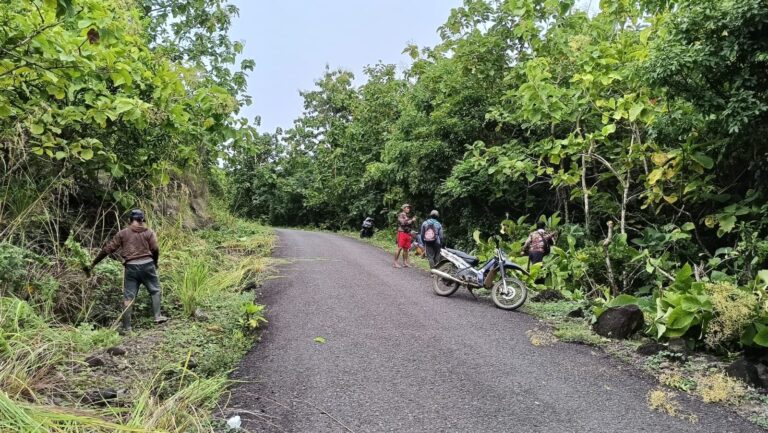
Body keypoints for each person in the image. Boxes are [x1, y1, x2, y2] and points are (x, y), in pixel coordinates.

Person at [84, 209, 168, 334]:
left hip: (131, 267)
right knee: (155, 290)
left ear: (130, 220)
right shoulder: (148, 232)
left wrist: (93, 264)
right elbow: (155, 248)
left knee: (129, 296)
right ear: (142, 220)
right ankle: (157, 316)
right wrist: (155, 262)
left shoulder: (122, 234)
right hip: (147, 265)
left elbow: (108, 249)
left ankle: (127, 328)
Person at [393, 204, 417, 268]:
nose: (408, 209)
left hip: (407, 233)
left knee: (406, 249)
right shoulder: (401, 215)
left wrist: (412, 221)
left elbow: (408, 224)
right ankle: (395, 263)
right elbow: (403, 223)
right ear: (403, 208)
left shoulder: (407, 216)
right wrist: (412, 220)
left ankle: (405, 262)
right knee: (399, 248)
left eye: (409, 208)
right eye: (407, 208)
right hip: (402, 232)